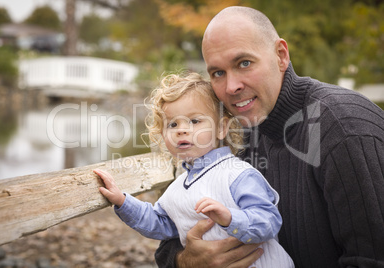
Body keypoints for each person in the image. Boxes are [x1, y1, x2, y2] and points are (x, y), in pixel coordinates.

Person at [154, 6, 384, 268]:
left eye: (244, 63)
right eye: (218, 72)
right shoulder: (233, 134)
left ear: (281, 55)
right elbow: (170, 235)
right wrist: (185, 261)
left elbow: (371, 259)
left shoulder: (345, 128)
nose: (231, 87)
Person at [94, 72, 294, 268]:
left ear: (221, 128)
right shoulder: (178, 188)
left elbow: (269, 221)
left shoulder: (237, 174)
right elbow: (159, 223)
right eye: (172, 124)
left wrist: (230, 218)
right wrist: (122, 201)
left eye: (195, 121)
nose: (181, 129)